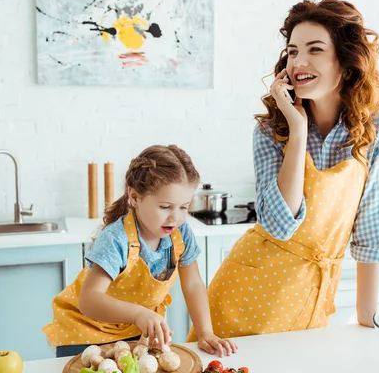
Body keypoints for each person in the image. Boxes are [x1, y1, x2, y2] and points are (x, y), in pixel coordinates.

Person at [188, 0, 379, 340]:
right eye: (293, 51)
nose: (299, 60)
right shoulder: (273, 129)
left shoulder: (377, 120)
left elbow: (373, 224)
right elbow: (279, 224)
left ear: (345, 61)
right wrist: (297, 130)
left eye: (314, 49)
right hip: (247, 293)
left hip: (313, 295)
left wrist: (367, 317)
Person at [43, 145, 237, 357]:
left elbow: (192, 284)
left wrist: (206, 333)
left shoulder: (181, 233)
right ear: (134, 197)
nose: (175, 217)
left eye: (183, 207)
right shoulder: (116, 239)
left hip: (133, 331)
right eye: (165, 207)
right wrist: (138, 313)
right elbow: (89, 300)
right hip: (85, 333)